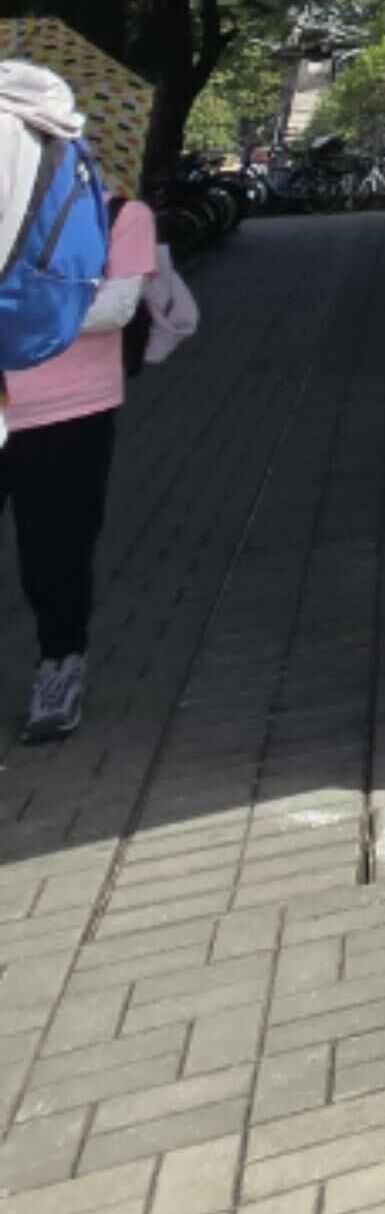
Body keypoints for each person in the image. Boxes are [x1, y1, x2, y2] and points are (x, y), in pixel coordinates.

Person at [0, 64, 156, 744]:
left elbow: (118, 305)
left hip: (69, 412)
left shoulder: (126, 215)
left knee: (54, 553)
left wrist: (37, 301)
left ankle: (59, 668)